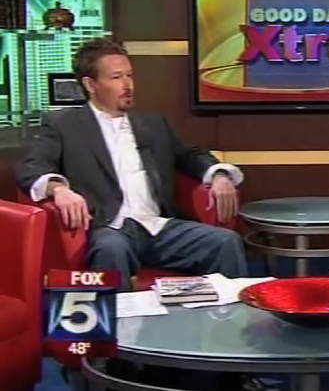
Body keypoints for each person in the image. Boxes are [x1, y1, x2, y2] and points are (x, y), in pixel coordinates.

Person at [15, 38, 248, 291]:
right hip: (110, 228)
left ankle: (234, 315)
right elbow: (32, 167)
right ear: (90, 84)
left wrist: (219, 175)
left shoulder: (153, 124)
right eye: (117, 77)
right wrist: (58, 189)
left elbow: (191, 155)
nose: (128, 86)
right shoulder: (64, 126)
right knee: (110, 248)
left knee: (225, 242)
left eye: (130, 75)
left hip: (158, 227)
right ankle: (120, 318)